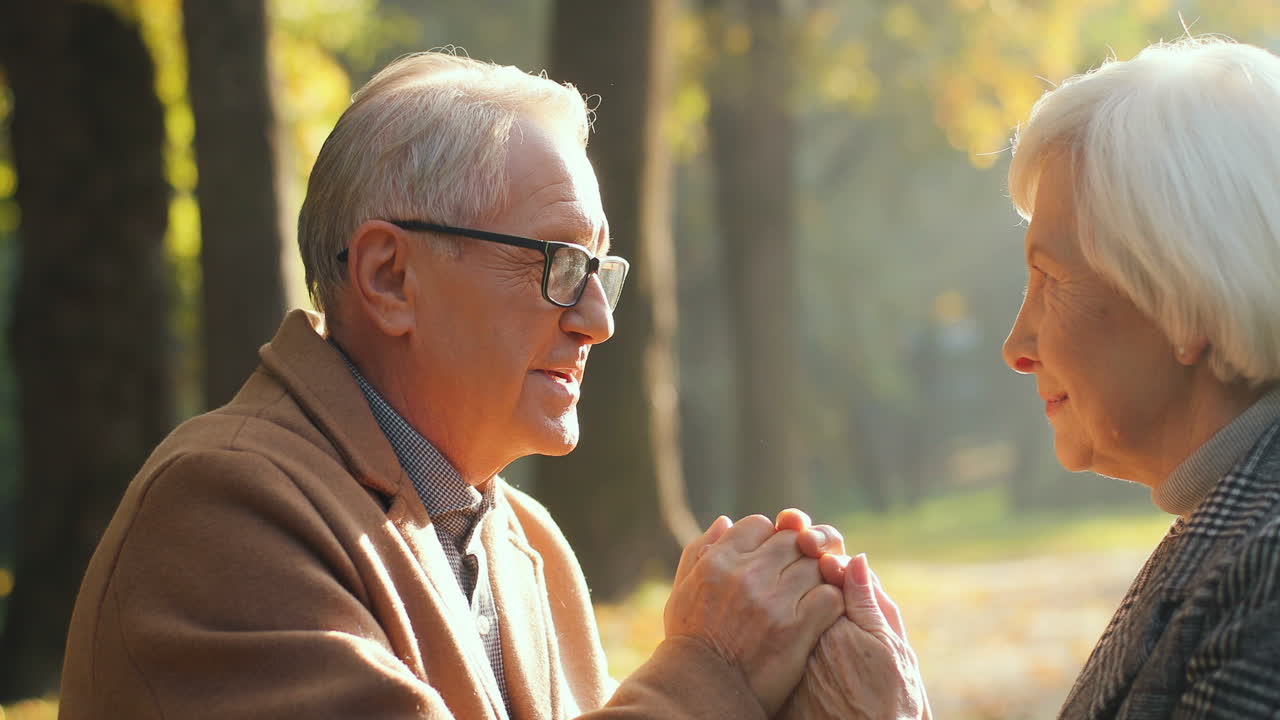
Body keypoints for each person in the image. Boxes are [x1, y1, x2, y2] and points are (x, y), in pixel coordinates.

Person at [57, 52, 855, 719]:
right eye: (558, 264)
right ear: (390, 276)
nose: (598, 320)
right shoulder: (222, 509)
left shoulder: (526, 541)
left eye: (599, 269)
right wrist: (709, 668)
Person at [784, 36, 1280, 719]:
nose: (1018, 344)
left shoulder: (1267, 569)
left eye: (1051, 278)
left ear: (1189, 296)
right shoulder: (1230, 522)